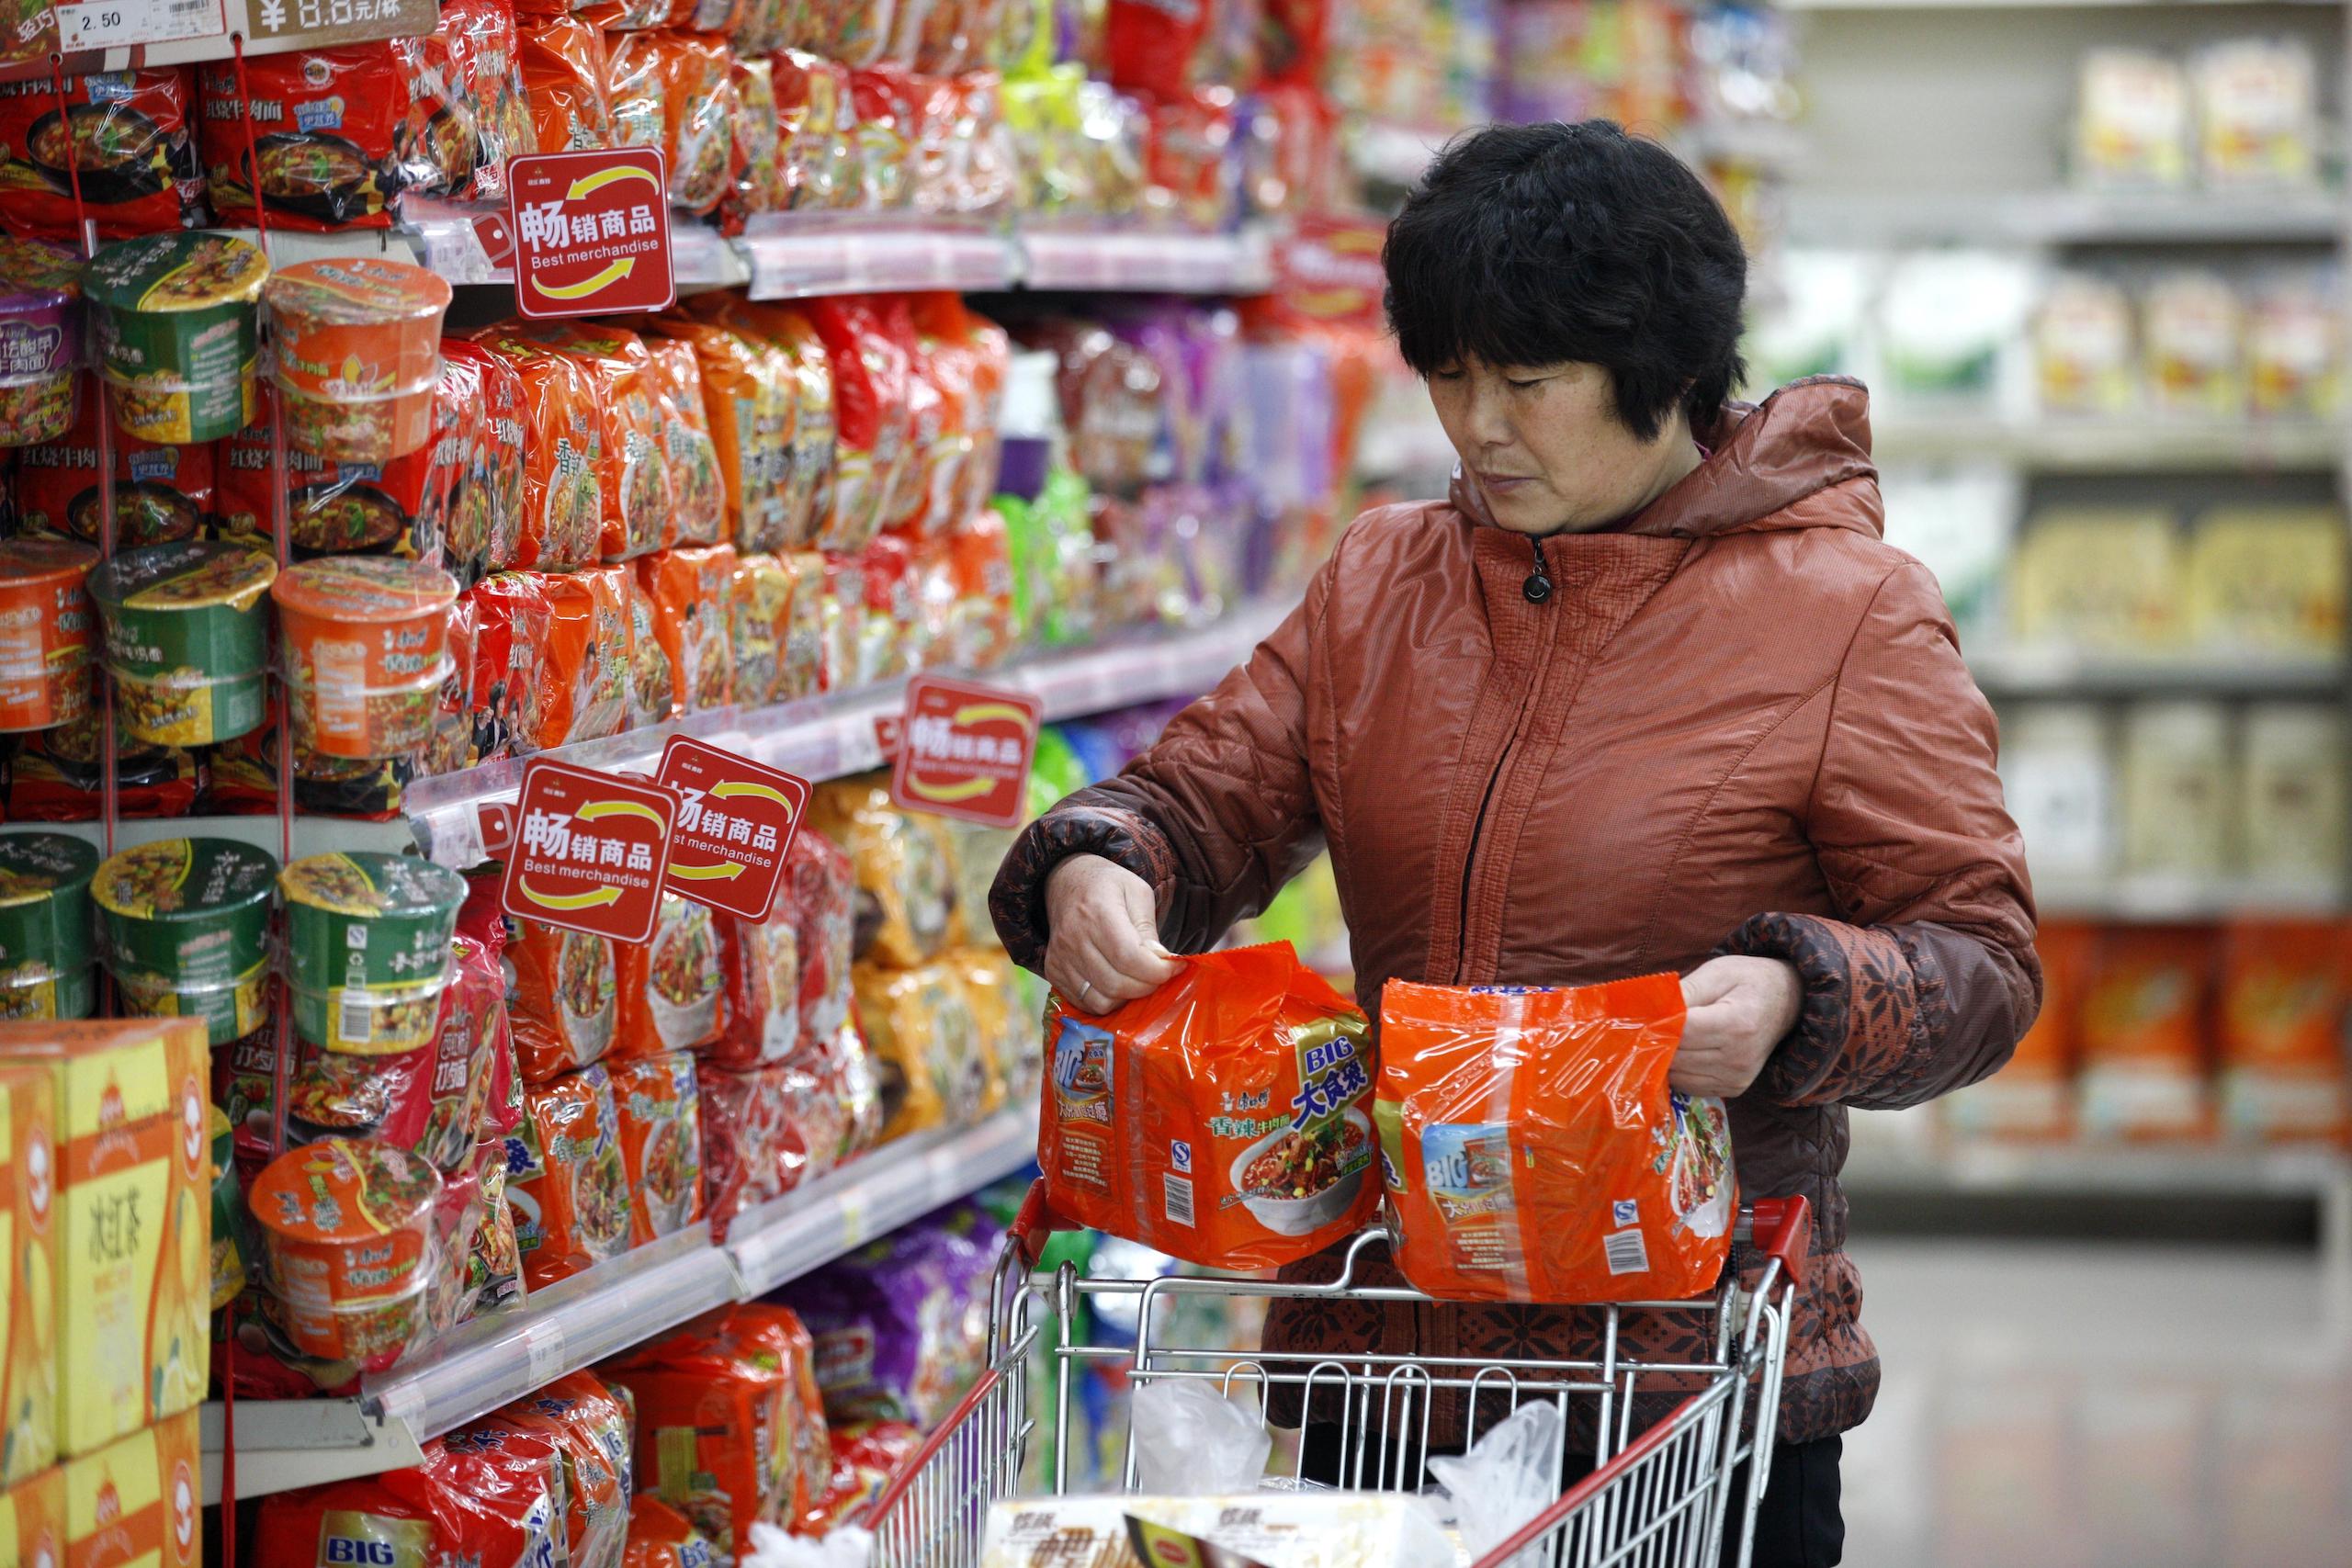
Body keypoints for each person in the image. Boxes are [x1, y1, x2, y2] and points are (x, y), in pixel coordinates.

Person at [989, 119, 2038, 1568]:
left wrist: (1806, 996)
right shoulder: (1384, 578)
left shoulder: (1848, 612)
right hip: (1388, 1348)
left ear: (1665, 373)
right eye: (1451, 374)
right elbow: (1202, 794)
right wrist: (1102, 859)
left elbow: (1983, 965)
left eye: (1528, 381)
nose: (1479, 425)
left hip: (1680, 1387)